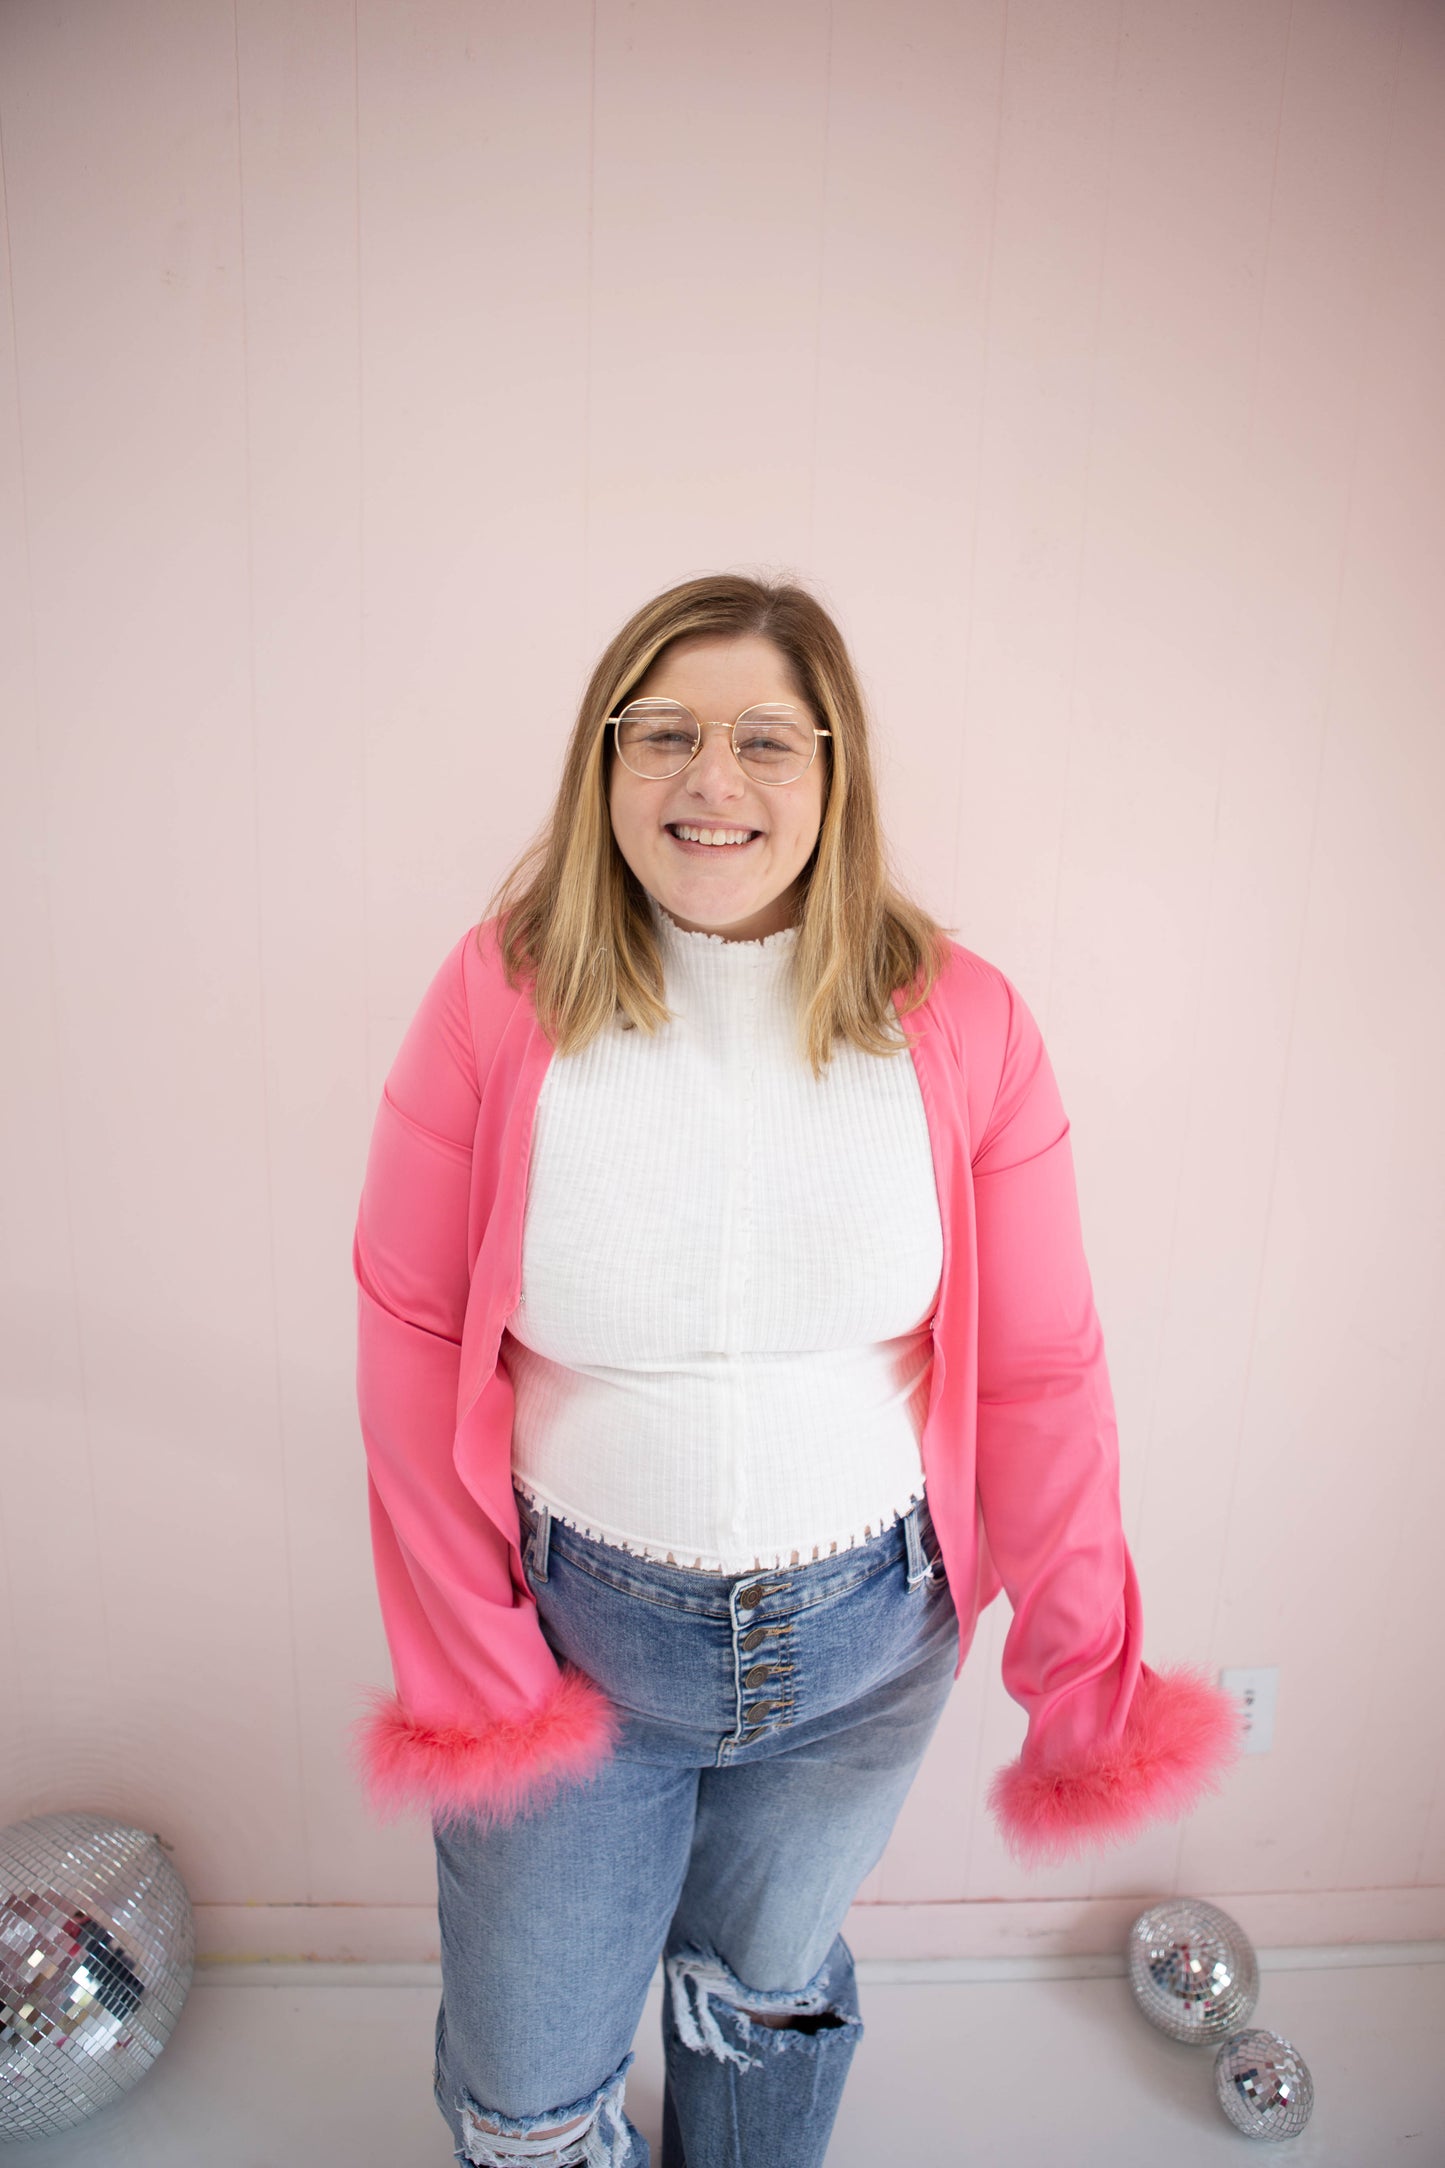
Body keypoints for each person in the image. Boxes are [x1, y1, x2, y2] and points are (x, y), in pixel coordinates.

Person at [349, 572, 1242, 2168]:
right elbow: (410, 1333)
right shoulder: (501, 995)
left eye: (767, 738)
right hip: (571, 1659)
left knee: (764, 1998)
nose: (711, 781)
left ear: (834, 774)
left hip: (865, 1652)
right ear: (602, 762)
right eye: (665, 734)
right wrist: (476, 1676)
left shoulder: (961, 1023)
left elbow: (1039, 1368)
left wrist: (1087, 1672)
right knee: (525, 2098)